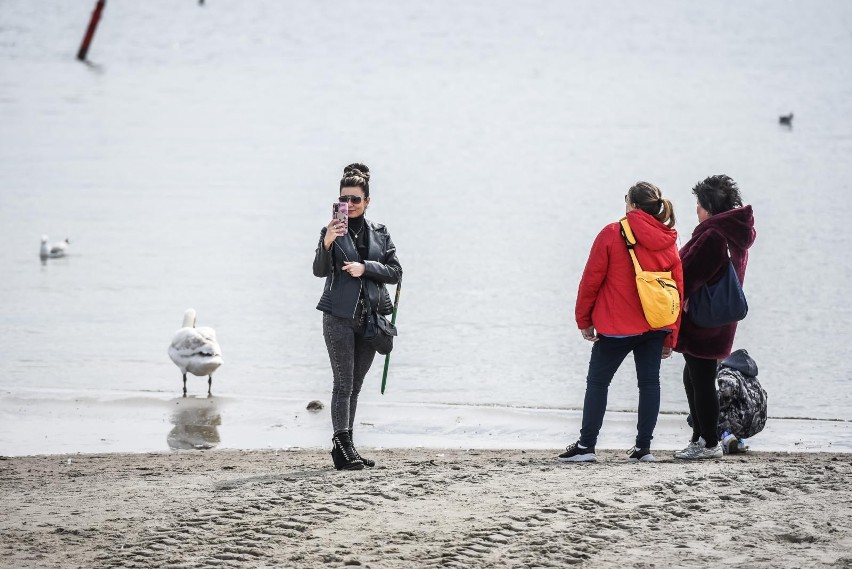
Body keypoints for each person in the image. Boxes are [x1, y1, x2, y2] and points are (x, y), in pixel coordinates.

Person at [560, 182, 683, 463]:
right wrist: (672, 334)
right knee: (650, 383)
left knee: (598, 382)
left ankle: (586, 446)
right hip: (657, 323)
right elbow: (678, 288)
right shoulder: (668, 237)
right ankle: (643, 449)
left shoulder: (613, 232)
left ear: (633, 205)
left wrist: (583, 319)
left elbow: (591, 279)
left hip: (617, 325)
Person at [312, 164, 402, 470]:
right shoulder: (331, 231)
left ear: (367, 201)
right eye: (344, 199)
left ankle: (346, 448)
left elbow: (396, 272)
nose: (349, 205)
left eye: (355, 200)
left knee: (357, 385)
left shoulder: (380, 233)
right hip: (338, 316)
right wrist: (326, 241)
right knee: (343, 383)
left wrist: (366, 267)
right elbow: (319, 270)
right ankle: (344, 444)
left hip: (371, 319)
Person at [674, 175, 755, 460]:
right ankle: (699, 437)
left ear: (708, 206)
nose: (696, 211)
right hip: (721, 318)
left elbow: (689, 272)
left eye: (698, 205)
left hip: (703, 319)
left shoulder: (712, 235)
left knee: (702, 378)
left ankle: (709, 443)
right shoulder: (735, 235)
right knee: (694, 375)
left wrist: (679, 296)